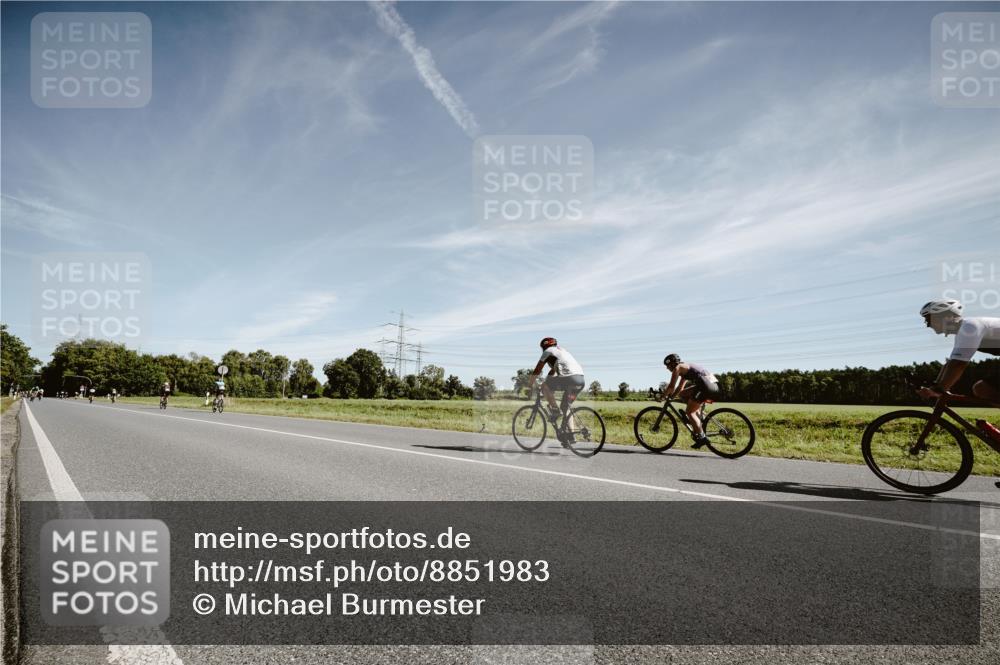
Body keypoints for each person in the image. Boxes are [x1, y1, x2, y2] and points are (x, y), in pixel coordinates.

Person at [662, 353, 720, 449]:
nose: (667, 368)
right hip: (714, 385)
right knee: (682, 394)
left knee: (690, 412)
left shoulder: (678, 368)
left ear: (672, 364)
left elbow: (671, 387)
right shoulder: (685, 367)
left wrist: (662, 397)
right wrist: (671, 397)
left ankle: (702, 437)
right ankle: (697, 417)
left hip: (705, 387)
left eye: (667, 366)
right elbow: (680, 388)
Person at [528, 337, 585, 428]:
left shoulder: (548, 351)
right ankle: (571, 436)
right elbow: (552, 372)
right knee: (566, 407)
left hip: (569, 379)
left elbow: (537, 370)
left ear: (544, 346)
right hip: (580, 380)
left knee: (544, 386)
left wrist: (530, 385)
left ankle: (555, 410)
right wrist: (548, 390)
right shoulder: (562, 351)